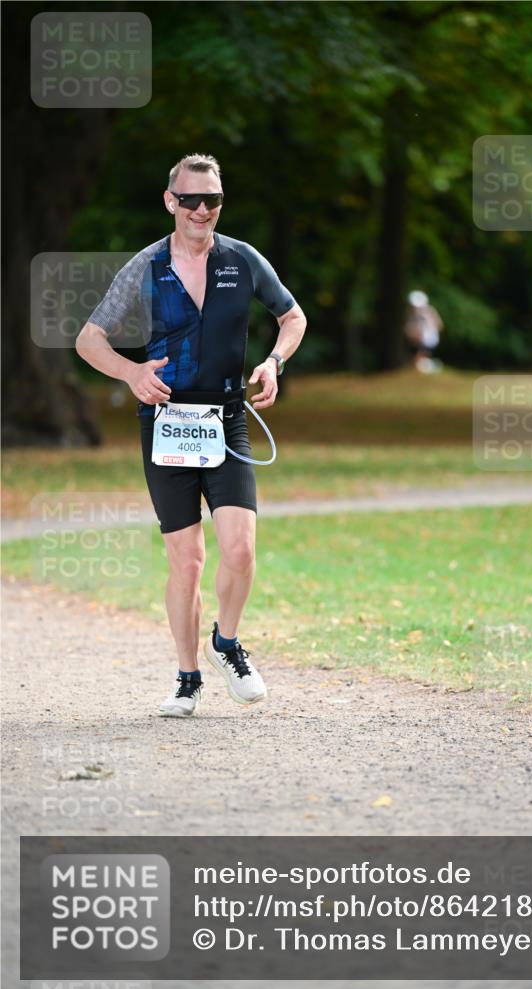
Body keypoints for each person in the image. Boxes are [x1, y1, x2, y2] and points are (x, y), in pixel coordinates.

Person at [76, 153, 307, 717]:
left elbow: (293, 317)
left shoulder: (243, 260)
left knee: (241, 550)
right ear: (170, 201)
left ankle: (226, 642)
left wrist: (274, 362)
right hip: (168, 422)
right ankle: (187, 678)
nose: (202, 210)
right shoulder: (147, 266)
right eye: (191, 200)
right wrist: (131, 373)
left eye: (213, 201)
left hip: (226, 419)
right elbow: (89, 339)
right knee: (187, 560)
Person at [404, 290, 443, 373]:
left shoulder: (426, 312)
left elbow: (439, 325)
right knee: (419, 357)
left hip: (427, 339)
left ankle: (426, 368)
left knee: (420, 358)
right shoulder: (415, 313)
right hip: (422, 340)